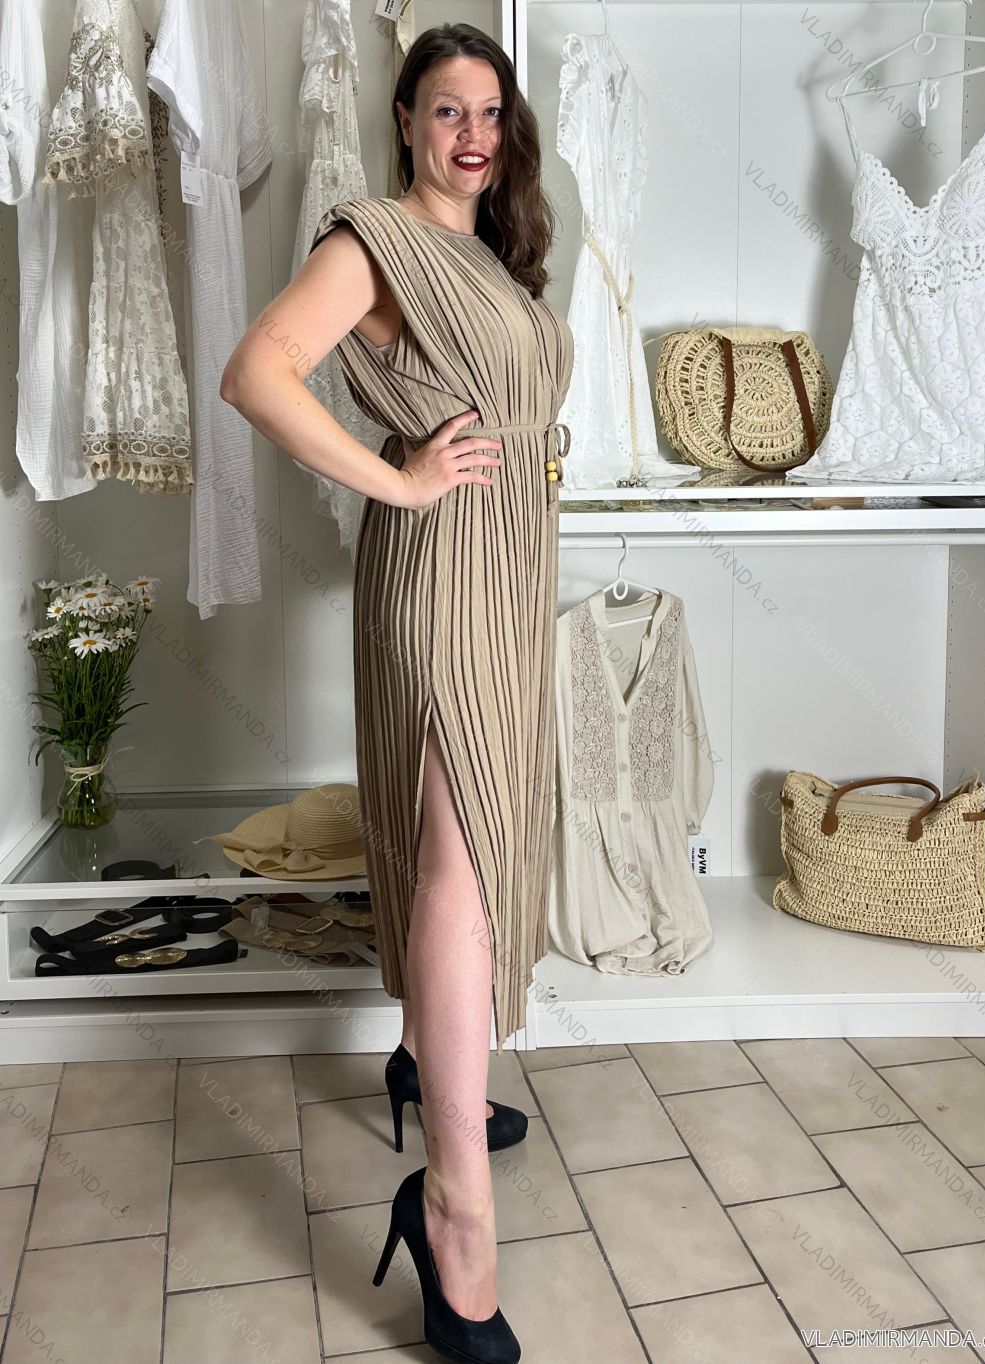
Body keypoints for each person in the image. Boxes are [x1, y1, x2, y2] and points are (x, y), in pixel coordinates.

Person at [221, 22, 573, 1363]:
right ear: (406, 125)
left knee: (472, 841)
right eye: (445, 110)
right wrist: (400, 480)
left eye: (489, 111)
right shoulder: (372, 238)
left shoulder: (489, 255)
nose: (470, 134)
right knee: (460, 861)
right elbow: (255, 371)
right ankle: (453, 1212)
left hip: (511, 569)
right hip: (442, 570)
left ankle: (434, 1067)